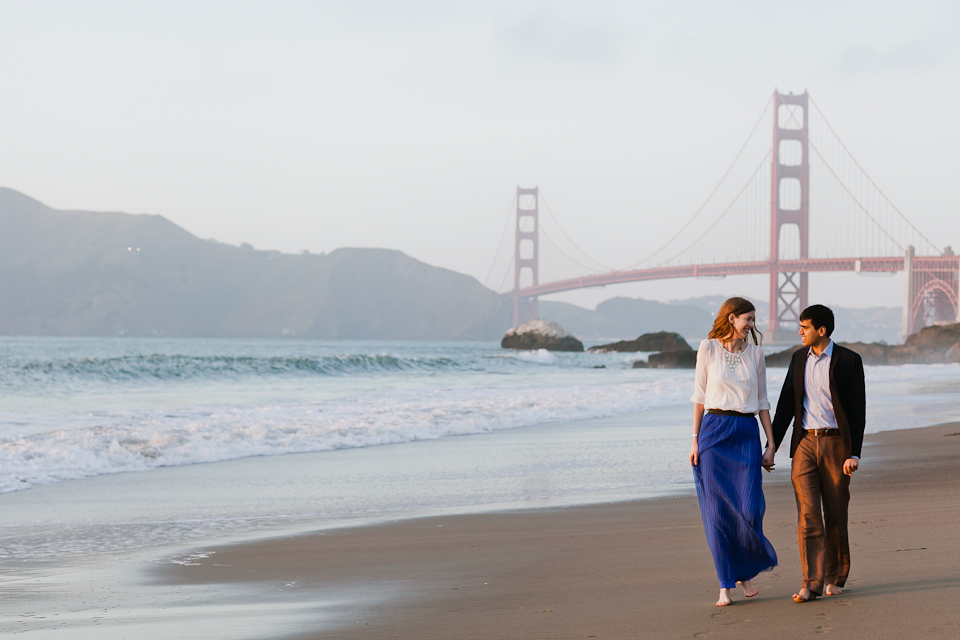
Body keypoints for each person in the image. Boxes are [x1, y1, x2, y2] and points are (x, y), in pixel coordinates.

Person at [770, 304, 865, 603]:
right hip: (805, 444)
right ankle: (811, 583)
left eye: (805, 327)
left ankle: (836, 577)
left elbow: (857, 410)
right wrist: (772, 446)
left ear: (821, 331)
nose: (799, 331)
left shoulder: (849, 360)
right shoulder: (798, 359)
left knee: (835, 514)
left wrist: (854, 453)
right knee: (807, 516)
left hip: (837, 444)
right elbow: (786, 403)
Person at [690, 297, 778, 607]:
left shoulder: (756, 354)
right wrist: (694, 440)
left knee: (750, 509)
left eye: (754, 319)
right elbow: (700, 396)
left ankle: (744, 572)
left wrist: (771, 443)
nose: (753, 325)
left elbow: (764, 401)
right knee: (718, 514)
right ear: (732, 319)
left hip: (746, 433)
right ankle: (726, 583)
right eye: (748, 319)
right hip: (715, 432)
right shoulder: (708, 348)